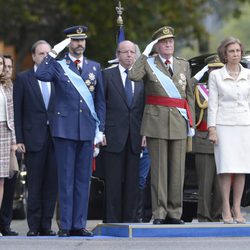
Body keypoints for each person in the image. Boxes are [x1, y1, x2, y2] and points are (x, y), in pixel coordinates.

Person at [35, 25, 105, 237]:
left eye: (82, 40)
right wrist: (54, 52)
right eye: (75, 40)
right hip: (64, 129)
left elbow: (100, 100)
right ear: (68, 43)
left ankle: (79, 224)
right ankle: (65, 225)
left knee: (83, 180)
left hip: (86, 129)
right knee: (65, 179)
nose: (79, 44)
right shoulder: (58, 65)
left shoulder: (94, 67)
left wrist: (100, 129)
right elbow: (41, 74)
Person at [129, 26, 195, 225]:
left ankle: (175, 213)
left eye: (171, 41)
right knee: (159, 170)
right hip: (156, 121)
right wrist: (145, 54)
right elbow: (133, 75)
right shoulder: (149, 63)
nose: (169, 44)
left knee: (177, 170)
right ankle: (159, 212)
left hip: (178, 121)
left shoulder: (183, 64)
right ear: (156, 45)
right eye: (164, 42)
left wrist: (190, 121)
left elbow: (189, 94)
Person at [13, 40, 57, 236]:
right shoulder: (23, 78)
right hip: (33, 139)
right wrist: (19, 139)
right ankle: (33, 226)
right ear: (33, 56)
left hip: (56, 138)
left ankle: (46, 225)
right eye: (41, 54)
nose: (45, 57)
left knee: (51, 184)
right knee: (35, 184)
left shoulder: (57, 77)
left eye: (48, 54)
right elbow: (17, 111)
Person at [208, 37, 250, 224]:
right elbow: (212, 105)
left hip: (244, 125)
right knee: (225, 169)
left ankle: (237, 208)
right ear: (224, 54)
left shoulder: (249, 74)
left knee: (241, 169)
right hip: (223, 125)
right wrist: (212, 129)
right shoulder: (216, 75)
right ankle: (225, 208)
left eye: (238, 51)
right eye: (231, 51)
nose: (235, 54)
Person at [102, 40, 145, 223]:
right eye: (124, 52)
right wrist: (100, 131)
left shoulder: (143, 77)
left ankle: (130, 219)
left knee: (132, 181)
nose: (129, 55)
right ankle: (112, 220)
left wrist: (145, 133)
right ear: (117, 55)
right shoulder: (107, 75)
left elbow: (144, 108)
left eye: (132, 52)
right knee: (112, 181)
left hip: (135, 136)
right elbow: (101, 105)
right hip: (113, 136)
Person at [193, 54, 223, 222]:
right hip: (204, 138)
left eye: (219, 68)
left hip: (225, 139)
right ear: (208, 70)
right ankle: (204, 216)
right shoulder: (199, 89)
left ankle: (218, 214)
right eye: (213, 69)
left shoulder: (229, 87)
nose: (216, 72)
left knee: (222, 184)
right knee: (204, 183)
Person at [0, 56, 19, 236]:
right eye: (1, 64)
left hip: (7, 136)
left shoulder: (10, 87)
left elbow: (13, 116)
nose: (5, 68)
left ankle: (3, 224)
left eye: (6, 65)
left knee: (5, 182)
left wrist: (15, 141)